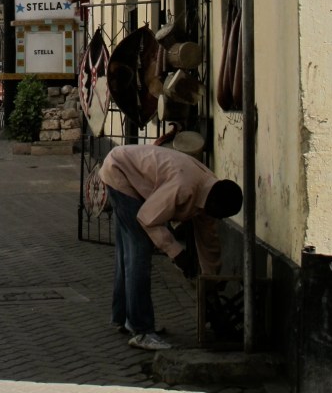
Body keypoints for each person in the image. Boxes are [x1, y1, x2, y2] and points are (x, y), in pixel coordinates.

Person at [99, 143, 243, 352]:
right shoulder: (185, 187)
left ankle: (124, 317)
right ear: (214, 203)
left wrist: (212, 278)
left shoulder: (210, 192)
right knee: (138, 255)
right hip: (120, 172)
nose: (217, 218)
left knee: (126, 254)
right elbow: (148, 218)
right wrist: (177, 253)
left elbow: (208, 238)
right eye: (218, 213)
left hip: (129, 169)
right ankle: (142, 331)